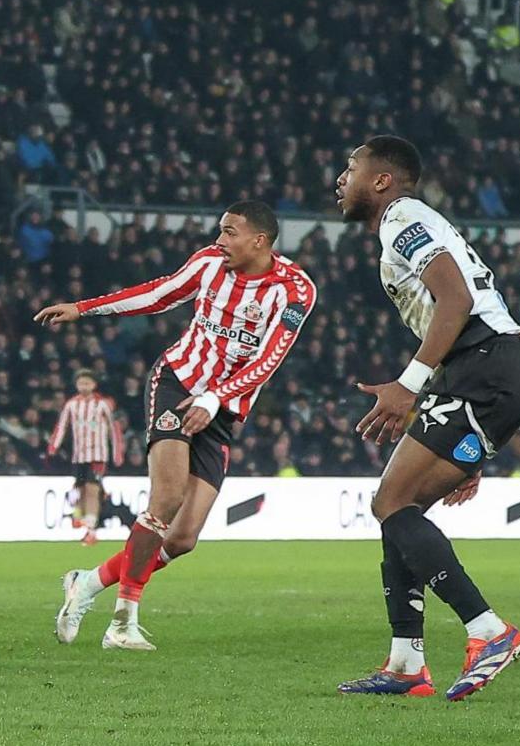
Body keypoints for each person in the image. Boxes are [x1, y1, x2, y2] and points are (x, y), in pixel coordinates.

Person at [37, 202, 316, 650]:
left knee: (183, 538)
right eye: (220, 231)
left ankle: (86, 583)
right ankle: (123, 622)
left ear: (259, 241)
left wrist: (216, 397)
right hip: (177, 382)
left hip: (221, 406)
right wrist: (84, 309)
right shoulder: (207, 263)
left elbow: (269, 358)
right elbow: (157, 294)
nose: (219, 240)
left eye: (229, 233)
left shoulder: (294, 290)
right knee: (165, 498)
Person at [333, 137, 520, 701]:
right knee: (399, 506)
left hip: (485, 366)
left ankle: (488, 631)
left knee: (391, 504)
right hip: (485, 374)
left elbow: (456, 300)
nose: (341, 178)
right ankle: (405, 664)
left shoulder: (404, 216)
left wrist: (408, 386)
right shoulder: (404, 224)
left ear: (381, 180)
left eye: (351, 168)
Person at [47, 371, 126, 545]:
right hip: (79, 455)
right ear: (76, 385)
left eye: (87, 383)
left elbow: (114, 429)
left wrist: (117, 453)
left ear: (94, 385)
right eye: (81, 383)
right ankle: (86, 526)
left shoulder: (102, 405)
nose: (84, 387)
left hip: (97, 454)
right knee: (81, 490)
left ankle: (91, 530)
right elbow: (61, 426)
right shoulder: (71, 405)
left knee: (92, 489)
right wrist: (53, 447)